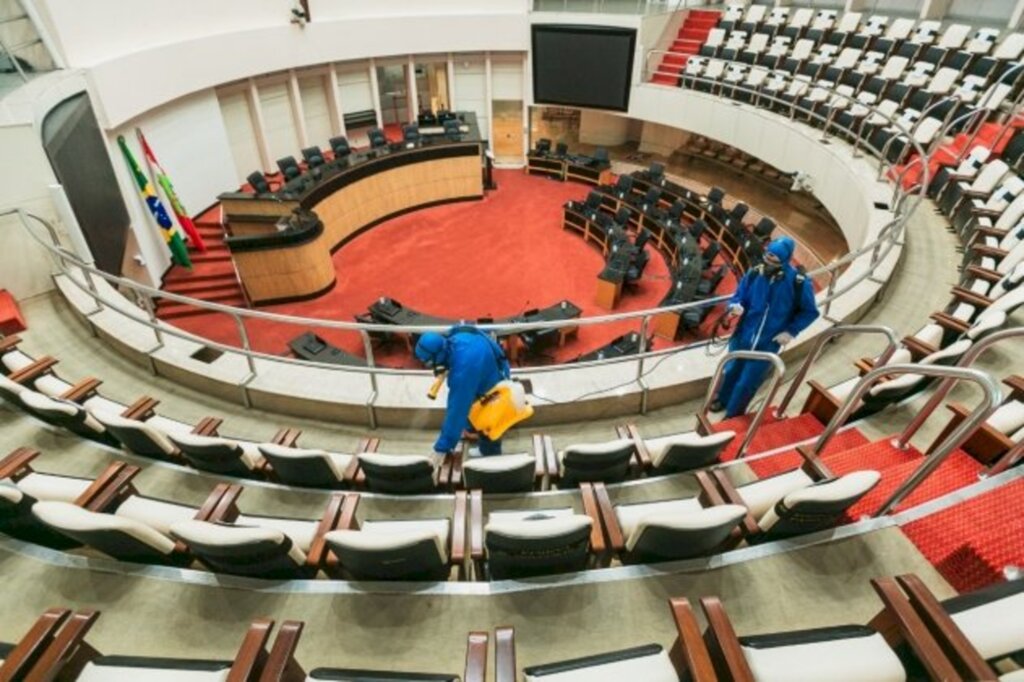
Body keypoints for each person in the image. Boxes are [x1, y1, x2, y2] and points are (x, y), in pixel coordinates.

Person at [711, 236, 819, 418]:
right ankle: (722, 399)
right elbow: (738, 296)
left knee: (747, 382)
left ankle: (733, 413)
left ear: (785, 260)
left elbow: (810, 312)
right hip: (743, 336)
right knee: (730, 372)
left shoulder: (798, 283)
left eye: (773, 259)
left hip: (768, 342)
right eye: (767, 256)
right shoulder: (754, 274)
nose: (768, 261)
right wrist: (734, 306)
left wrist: (791, 331)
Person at [414, 325, 511, 461]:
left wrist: (442, 447)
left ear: (438, 354)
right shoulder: (457, 339)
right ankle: (472, 431)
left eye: (430, 363)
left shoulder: (462, 373)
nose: (430, 366)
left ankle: (490, 455)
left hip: (490, 386)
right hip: (492, 368)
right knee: (473, 411)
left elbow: (457, 411)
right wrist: (447, 363)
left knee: (487, 420)